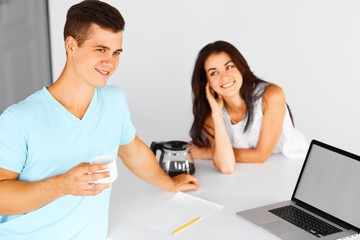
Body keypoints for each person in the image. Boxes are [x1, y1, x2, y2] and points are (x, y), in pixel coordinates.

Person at [0, 1, 200, 239]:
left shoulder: (114, 101)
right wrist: (63, 185)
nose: (111, 62)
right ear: (71, 45)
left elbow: (133, 152)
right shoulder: (18, 119)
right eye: (100, 49)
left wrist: (170, 184)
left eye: (116, 52)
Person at [190, 41, 307, 174]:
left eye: (229, 67)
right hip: (249, 172)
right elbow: (226, 167)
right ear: (207, 83)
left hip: (292, 164)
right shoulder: (210, 115)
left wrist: (208, 153)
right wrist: (216, 114)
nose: (224, 77)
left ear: (240, 67)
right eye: (214, 73)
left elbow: (261, 156)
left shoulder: (271, 96)